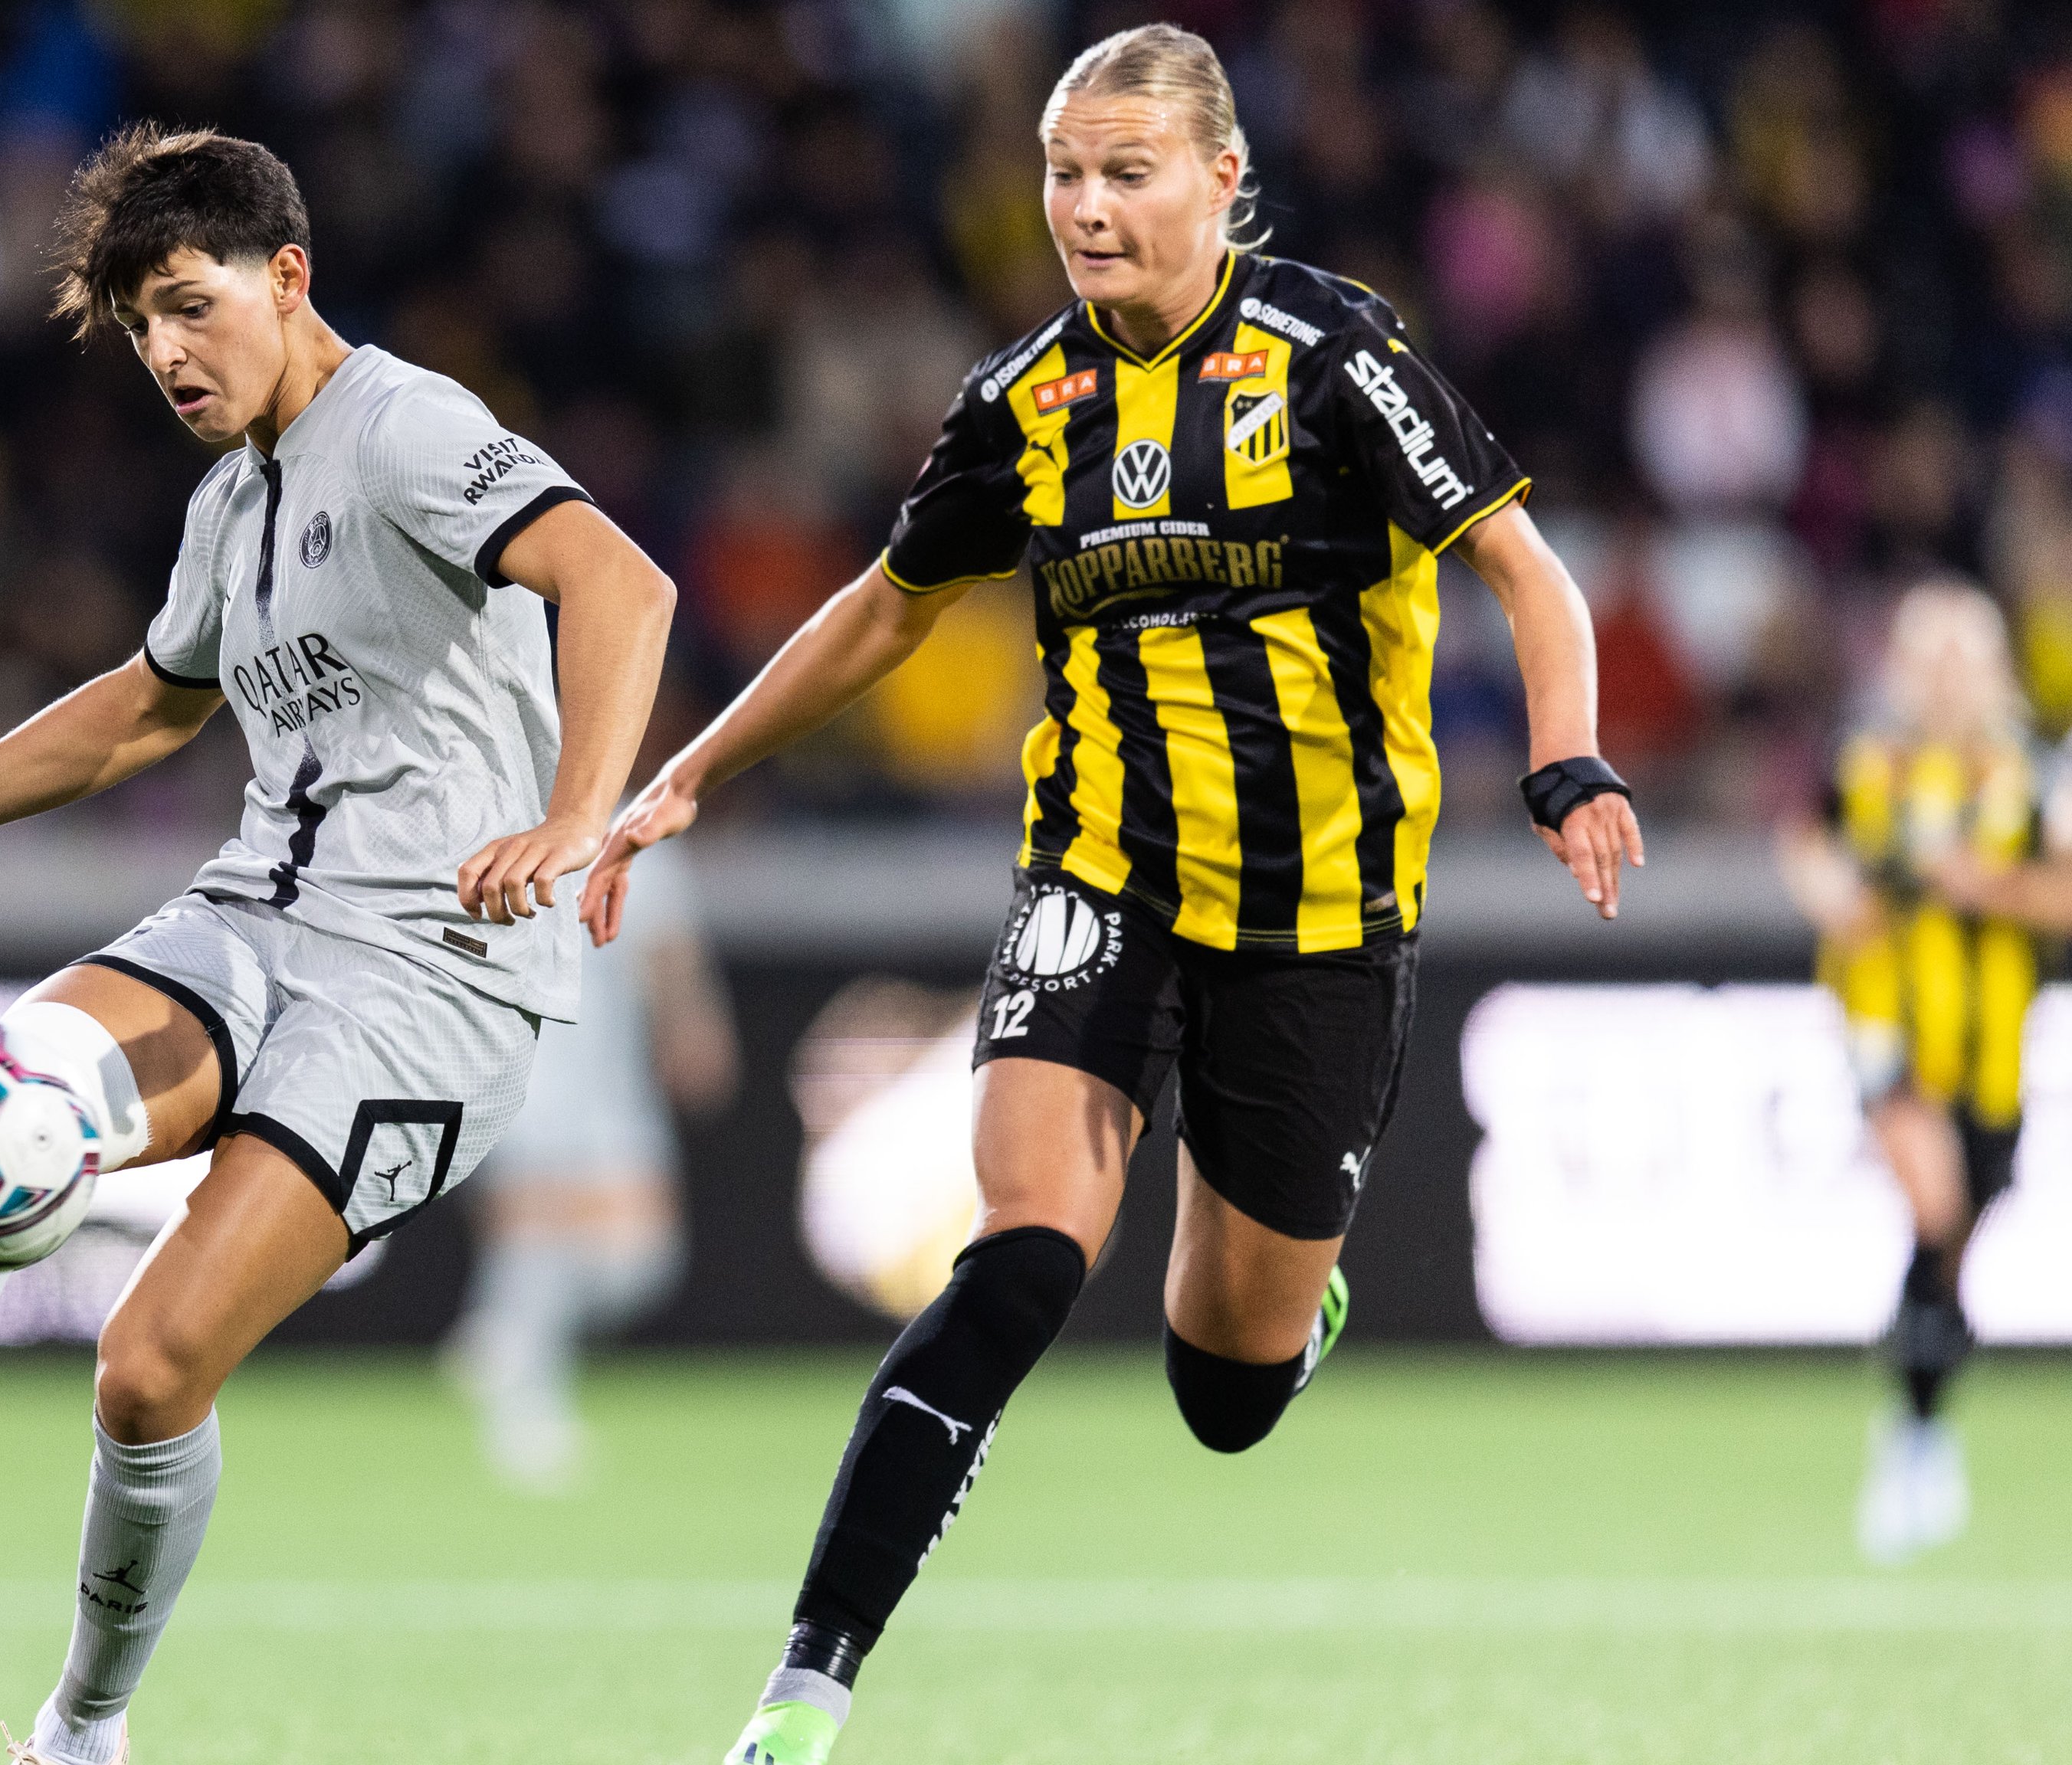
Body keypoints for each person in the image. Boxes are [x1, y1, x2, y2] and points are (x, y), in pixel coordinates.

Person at [576, 28, 1644, 1764]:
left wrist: (1569, 759)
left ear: (1223, 181)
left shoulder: (1329, 356)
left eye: (1125, 170)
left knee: (1225, 1392)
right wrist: (692, 771)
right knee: (1016, 1261)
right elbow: (885, 605)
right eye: (1064, 172)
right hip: (1099, 877)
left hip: (1315, 917)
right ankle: (804, 1692)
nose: (1083, 205)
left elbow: (1525, 570)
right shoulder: (1022, 401)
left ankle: (1281, 1309)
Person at [0, 126, 675, 1763]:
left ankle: (81, 1731)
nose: (168, 356)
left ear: (289, 276)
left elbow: (619, 582)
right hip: (258, 914)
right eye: (140, 330)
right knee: (1, 1091)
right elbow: (147, 706)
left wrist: (577, 815)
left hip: (427, 985)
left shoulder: (403, 428)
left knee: (146, 1371)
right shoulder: (230, 502)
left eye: (192, 309)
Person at [1792, 581, 2046, 1563]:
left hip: (1990, 1045)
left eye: (1961, 656)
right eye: (1927, 655)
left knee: (1952, 1242)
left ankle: (1917, 1418)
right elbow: (1806, 842)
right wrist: (1828, 897)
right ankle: (1915, 1446)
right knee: (1933, 1205)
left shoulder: (2030, 772)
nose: (1944, 677)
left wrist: (1979, 883)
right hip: (1883, 1026)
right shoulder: (1866, 759)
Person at [445, 841, 737, 1492]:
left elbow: (667, 952)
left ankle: (501, 1333)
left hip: (611, 1081)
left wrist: (691, 1028)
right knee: (535, 1235)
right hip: (518, 1071)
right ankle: (526, 1415)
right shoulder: (493, 820)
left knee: (638, 1262)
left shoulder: (635, 833)